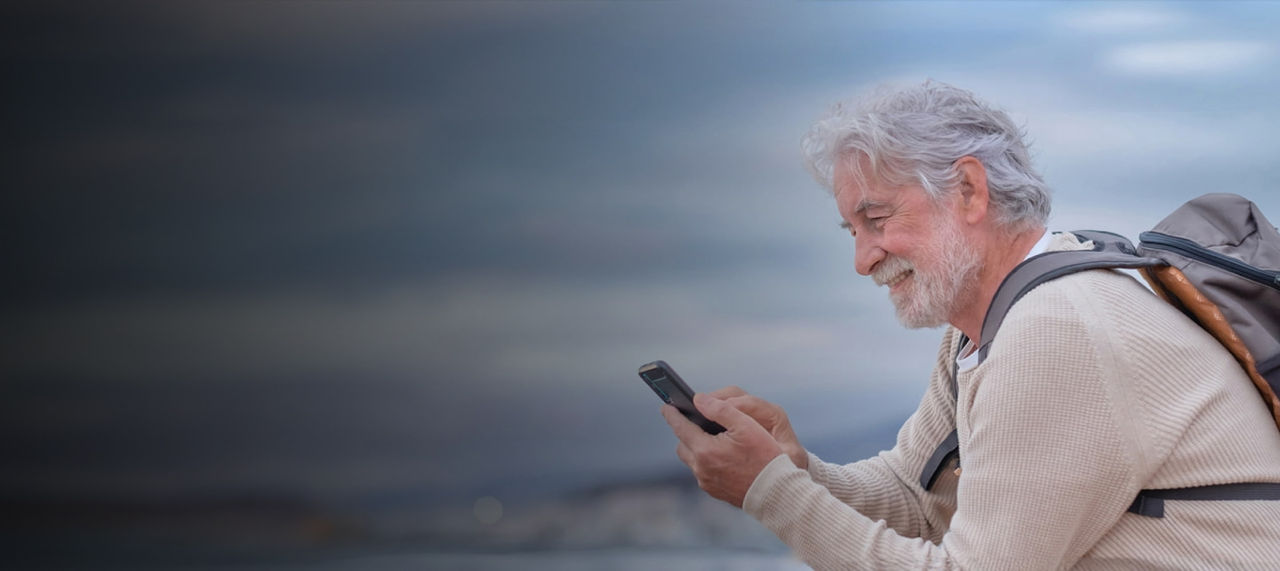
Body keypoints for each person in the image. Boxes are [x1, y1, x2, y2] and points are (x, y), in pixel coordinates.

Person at [661, 80, 1280, 569]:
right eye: (853, 231)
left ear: (968, 190)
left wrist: (769, 490)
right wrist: (793, 467)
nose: (861, 259)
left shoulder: (1056, 328)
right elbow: (917, 498)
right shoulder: (984, 329)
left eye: (877, 219)